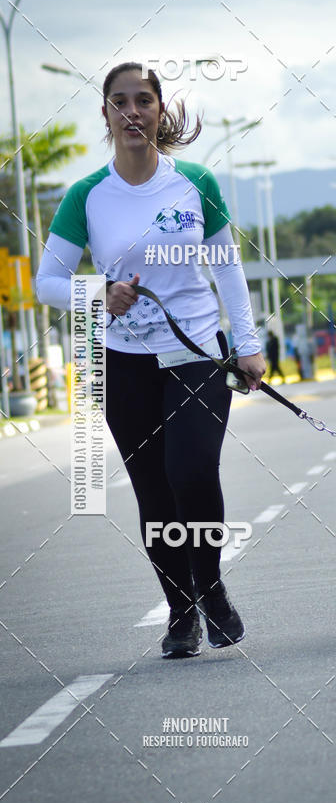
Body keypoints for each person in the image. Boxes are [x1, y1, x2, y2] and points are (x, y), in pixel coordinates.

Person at [36, 62, 266, 658]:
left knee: (192, 471)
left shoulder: (194, 181)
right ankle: (180, 613)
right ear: (106, 114)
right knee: (154, 492)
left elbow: (228, 270)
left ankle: (210, 588)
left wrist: (247, 344)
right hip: (123, 363)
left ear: (160, 110)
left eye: (143, 100)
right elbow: (46, 282)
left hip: (196, 351)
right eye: (120, 101)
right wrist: (99, 292)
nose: (132, 111)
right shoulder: (87, 195)